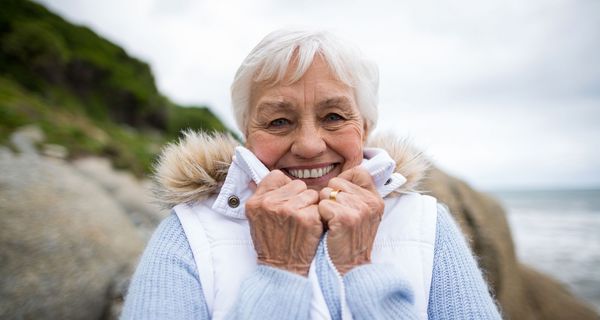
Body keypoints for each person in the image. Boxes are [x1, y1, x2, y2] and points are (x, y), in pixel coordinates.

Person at [121, 29, 502, 319]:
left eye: (333, 116)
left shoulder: (427, 223)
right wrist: (279, 272)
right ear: (247, 135)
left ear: (365, 127)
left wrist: (359, 268)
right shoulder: (188, 233)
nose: (308, 144)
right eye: (279, 120)